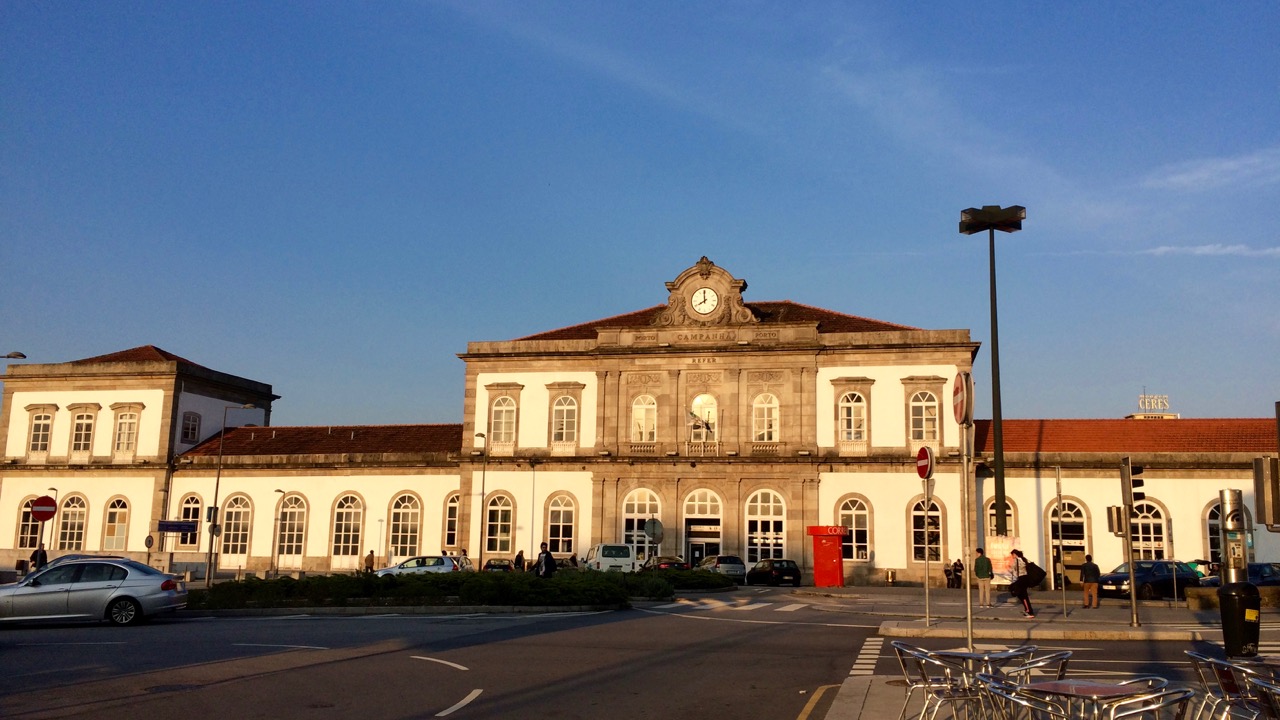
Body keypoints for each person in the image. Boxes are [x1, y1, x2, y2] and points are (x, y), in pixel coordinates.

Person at [1009, 549, 1035, 618]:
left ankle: (1029, 611)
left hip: (1021, 579)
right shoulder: (1024, 559)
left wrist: (1010, 568)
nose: (1012, 556)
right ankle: (1027, 609)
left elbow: (1012, 569)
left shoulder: (1017, 560)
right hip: (1025, 579)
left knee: (1023, 595)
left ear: (1015, 554)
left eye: (1012, 555)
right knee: (1021, 594)